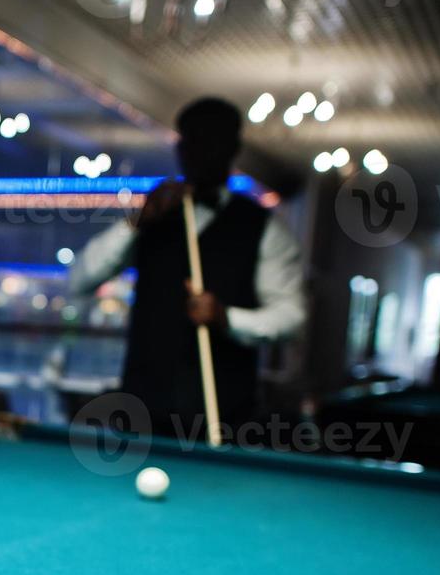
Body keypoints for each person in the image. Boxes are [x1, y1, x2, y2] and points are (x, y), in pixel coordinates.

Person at [69, 97, 306, 438]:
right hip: (140, 417)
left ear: (231, 148)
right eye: (189, 140)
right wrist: (135, 222)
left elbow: (291, 318)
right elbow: (80, 280)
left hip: (221, 420)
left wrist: (226, 317)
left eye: (210, 141)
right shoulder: (150, 218)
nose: (197, 151)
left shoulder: (264, 228)